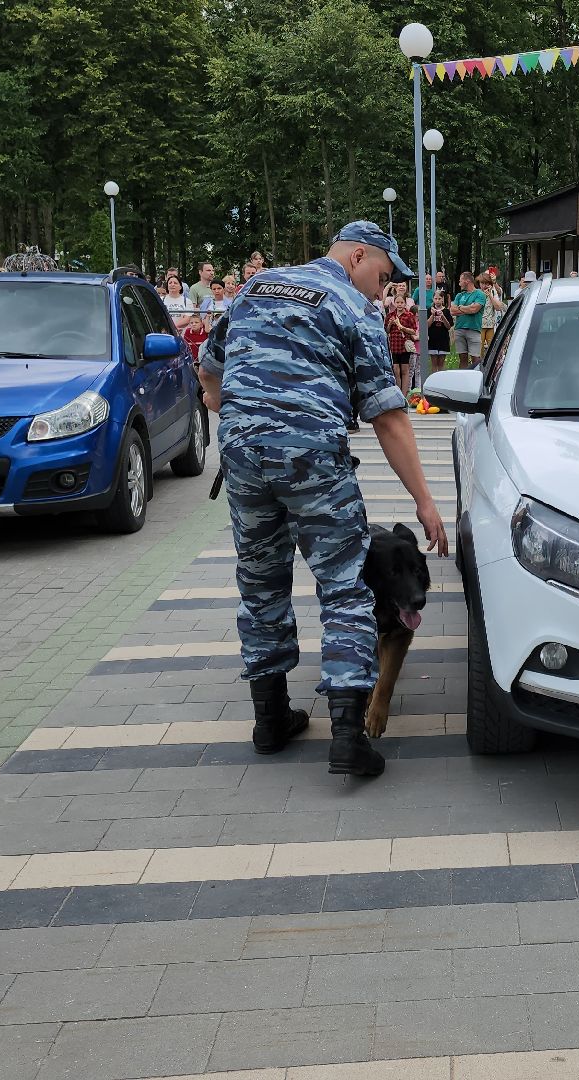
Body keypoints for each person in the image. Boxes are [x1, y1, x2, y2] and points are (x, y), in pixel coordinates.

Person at [198, 220, 446, 779]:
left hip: (242, 457)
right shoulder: (352, 307)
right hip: (312, 459)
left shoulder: (253, 289)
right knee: (345, 584)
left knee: (260, 582)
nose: (381, 290)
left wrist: (240, 416)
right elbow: (388, 415)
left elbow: (209, 377)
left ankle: (270, 718)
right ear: (358, 256)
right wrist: (425, 502)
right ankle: (348, 735)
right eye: (382, 276)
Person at [384, 282, 418, 396]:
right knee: (396, 370)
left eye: (401, 302)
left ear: (405, 303)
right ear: (394, 303)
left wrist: (402, 327)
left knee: (405, 370)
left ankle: (404, 394)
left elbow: (413, 330)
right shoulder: (390, 315)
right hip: (394, 345)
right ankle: (398, 392)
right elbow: (387, 331)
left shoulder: (409, 316)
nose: (399, 304)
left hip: (404, 346)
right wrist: (390, 324)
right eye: (397, 302)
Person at [449, 272, 487, 367]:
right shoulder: (459, 295)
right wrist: (467, 308)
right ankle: (462, 380)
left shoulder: (480, 294)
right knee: (462, 358)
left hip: (473, 329)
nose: (459, 283)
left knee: (475, 358)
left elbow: (474, 309)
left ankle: (477, 379)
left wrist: (460, 307)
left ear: (467, 281)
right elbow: (452, 311)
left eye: (460, 281)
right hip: (459, 329)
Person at [424, 287, 452, 382]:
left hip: (443, 339)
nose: (437, 300)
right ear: (433, 299)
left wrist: (442, 316)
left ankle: (441, 381)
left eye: (439, 298)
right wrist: (433, 315)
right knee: (434, 363)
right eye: (435, 298)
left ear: (443, 299)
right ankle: (433, 381)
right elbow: (426, 325)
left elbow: (449, 326)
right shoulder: (429, 310)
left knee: (441, 363)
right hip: (433, 339)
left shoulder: (447, 311)